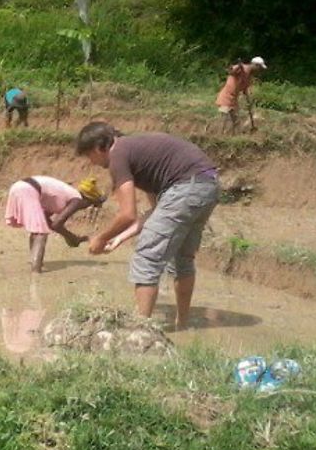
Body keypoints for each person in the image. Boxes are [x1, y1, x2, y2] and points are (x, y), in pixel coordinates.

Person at [76, 122, 220, 330]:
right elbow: (156, 212)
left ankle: (140, 331)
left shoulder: (118, 156)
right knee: (182, 259)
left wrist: (101, 238)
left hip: (186, 188)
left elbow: (127, 214)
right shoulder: (140, 155)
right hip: (207, 186)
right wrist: (119, 238)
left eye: (89, 155)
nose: (92, 162)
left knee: (146, 258)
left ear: (100, 147)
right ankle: (182, 324)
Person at [4, 175, 105, 273]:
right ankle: (36, 271)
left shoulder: (62, 196)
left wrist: (71, 237)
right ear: (87, 199)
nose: (87, 208)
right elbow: (56, 225)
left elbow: (46, 221)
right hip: (28, 190)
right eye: (90, 204)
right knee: (40, 232)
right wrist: (72, 238)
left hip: (18, 187)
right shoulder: (77, 200)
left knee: (38, 230)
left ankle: (34, 263)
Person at [215, 56, 266, 133]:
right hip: (226, 97)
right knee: (224, 119)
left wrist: (248, 100)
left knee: (236, 121)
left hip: (234, 100)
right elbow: (230, 72)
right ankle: (219, 136)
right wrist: (238, 66)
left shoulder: (249, 76)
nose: (260, 70)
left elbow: (245, 89)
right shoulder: (242, 68)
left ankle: (232, 137)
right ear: (256, 65)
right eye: (259, 68)